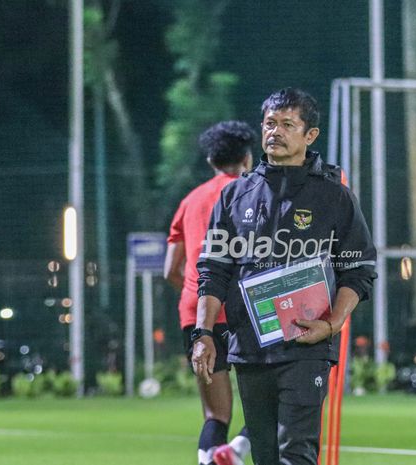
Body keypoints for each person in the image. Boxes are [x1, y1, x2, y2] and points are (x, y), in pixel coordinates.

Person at [192, 88, 377, 465]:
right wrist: (204, 333)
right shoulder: (234, 196)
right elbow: (213, 271)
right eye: (269, 124)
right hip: (249, 348)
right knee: (264, 456)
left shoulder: (334, 196)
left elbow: (358, 269)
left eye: (287, 124)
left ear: (310, 135)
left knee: (296, 451)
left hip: (307, 346)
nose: (275, 132)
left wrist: (332, 323)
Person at [165, 120, 256, 465]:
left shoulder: (191, 200)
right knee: (277, 399)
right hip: (245, 311)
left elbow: (170, 270)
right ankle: (235, 451)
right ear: (247, 157)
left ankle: (210, 459)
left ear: (211, 161)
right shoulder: (253, 193)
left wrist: (202, 297)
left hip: (198, 315)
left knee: (215, 414)